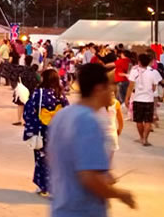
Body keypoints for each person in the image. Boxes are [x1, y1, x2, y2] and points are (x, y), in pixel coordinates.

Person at [48, 63, 136, 216]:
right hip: (82, 210)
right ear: (98, 89)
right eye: (110, 85)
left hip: (61, 207)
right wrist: (120, 194)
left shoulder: (63, 115)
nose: (113, 90)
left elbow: (53, 157)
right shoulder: (88, 121)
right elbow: (89, 178)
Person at [23, 69, 69, 198]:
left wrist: (31, 126)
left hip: (42, 130)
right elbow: (67, 110)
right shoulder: (60, 94)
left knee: (41, 158)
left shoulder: (39, 93)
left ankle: (43, 186)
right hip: (57, 129)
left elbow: (30, 109)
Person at [125, 53, 160, 147]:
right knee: (148, 121)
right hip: (149, 100)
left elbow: (130, 87)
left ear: (139, 62)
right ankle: (145, 139)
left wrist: (127, 98)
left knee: (139, 121)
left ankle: (141, 137)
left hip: (138, 99)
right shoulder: (153, 72)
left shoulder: (134, 71)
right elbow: (154, 87)